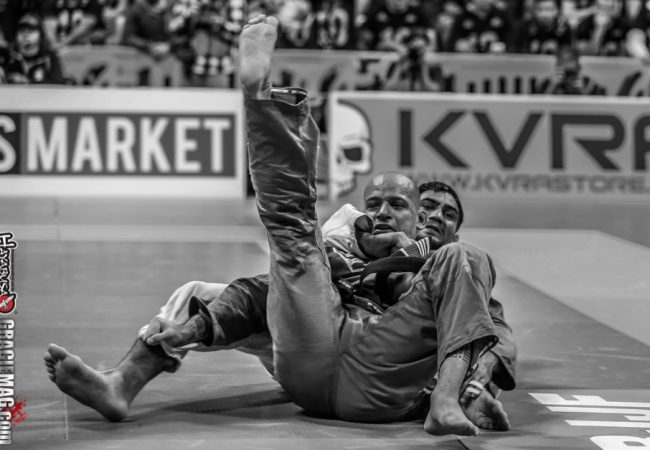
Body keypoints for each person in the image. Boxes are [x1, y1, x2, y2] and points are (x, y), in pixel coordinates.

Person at [45, 16, 515, 436]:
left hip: (382, 368)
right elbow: (281, 278)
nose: (421, 216)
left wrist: (476, 388)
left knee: (456, 278)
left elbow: (495, 339)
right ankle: (120, 384)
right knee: (242, 272)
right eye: (378, 203)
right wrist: (349, 258)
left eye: (436, 213)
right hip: (309, 342)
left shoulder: (456, 268)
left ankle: (446, 399)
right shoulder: (348, 230)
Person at [13, 13, 65, 84]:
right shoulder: (9, 57)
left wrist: (28, 82)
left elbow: (58, 84)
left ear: (40, 34)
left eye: (30, 31)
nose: (25, 35)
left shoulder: (49, 58)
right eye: (22, 31)